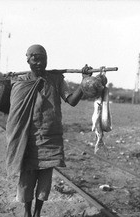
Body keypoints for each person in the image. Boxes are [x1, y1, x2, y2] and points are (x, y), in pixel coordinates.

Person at [5, 44, 92, 217]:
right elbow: (10, 108)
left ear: (47, 60)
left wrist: (84, 82)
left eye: (42, 59)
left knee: (45, 179)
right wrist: (5, 83)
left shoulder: (56, 79)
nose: (39, 63)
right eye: (34, 59)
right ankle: (27, 212)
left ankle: (38, 212)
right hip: (28, 137)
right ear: (28, 60)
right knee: (27, 177)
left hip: (51, 137)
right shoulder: (21, 81)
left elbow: (72, 100)